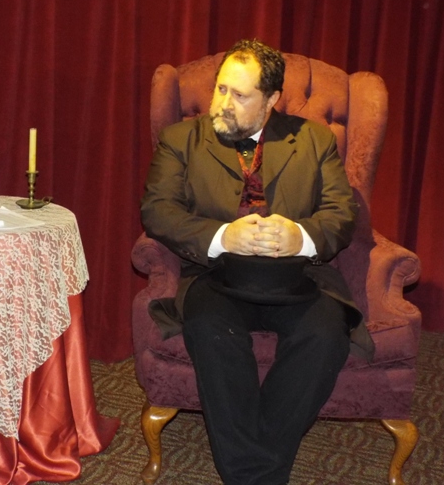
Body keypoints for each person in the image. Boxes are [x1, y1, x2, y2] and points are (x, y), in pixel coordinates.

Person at [140, 39, 373, 485]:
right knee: (211, 332)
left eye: (240, 95)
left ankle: (249, 470)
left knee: (326, 336)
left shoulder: (314, 139)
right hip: (216, 275)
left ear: (270, 100)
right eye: (220, 89)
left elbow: (342, 214)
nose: (223, 103)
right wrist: (222, 236)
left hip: (301, 277)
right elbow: (158, 210)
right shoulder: (181, 140)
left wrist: (300, 236)